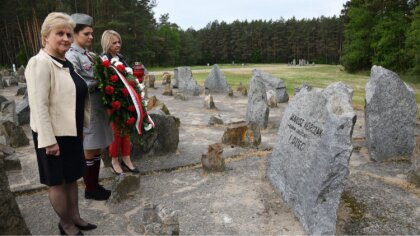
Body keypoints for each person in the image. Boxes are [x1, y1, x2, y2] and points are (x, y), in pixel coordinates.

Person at [25, 12, 96, 235]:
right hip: (52, 136)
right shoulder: (39, 63)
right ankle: (65, 224)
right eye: (59, 34)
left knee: (73, 177)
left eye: (68, 34)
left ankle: (75, 217)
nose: (66, 38)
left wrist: (81, 130)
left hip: (72, 132)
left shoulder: (65, 63)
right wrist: (48, 141)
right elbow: (39, 106)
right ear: (45, 37)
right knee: (58, 182)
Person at [66, 13, 112, 201]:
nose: (91, 37)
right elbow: (76, 82)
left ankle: (95, 183)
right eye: (87, 34)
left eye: (92, 33)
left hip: (98, 106)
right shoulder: (71, 56)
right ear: (75, 34)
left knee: (98, 147)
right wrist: (101, 81)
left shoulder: (90, 55)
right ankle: (90, 188)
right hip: (87, 107)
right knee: (90, 148)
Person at [100, 30, 140, 175]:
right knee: (116, 132)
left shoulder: (121, 58)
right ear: (106, 43)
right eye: (114, 42)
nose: (117, 45)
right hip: (113, 101)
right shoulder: (103, 59)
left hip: (126, 99)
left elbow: (128, 75)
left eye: (119, 42)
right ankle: (114, 161)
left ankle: (127, 159)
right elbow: (104, 82)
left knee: (126, 130)